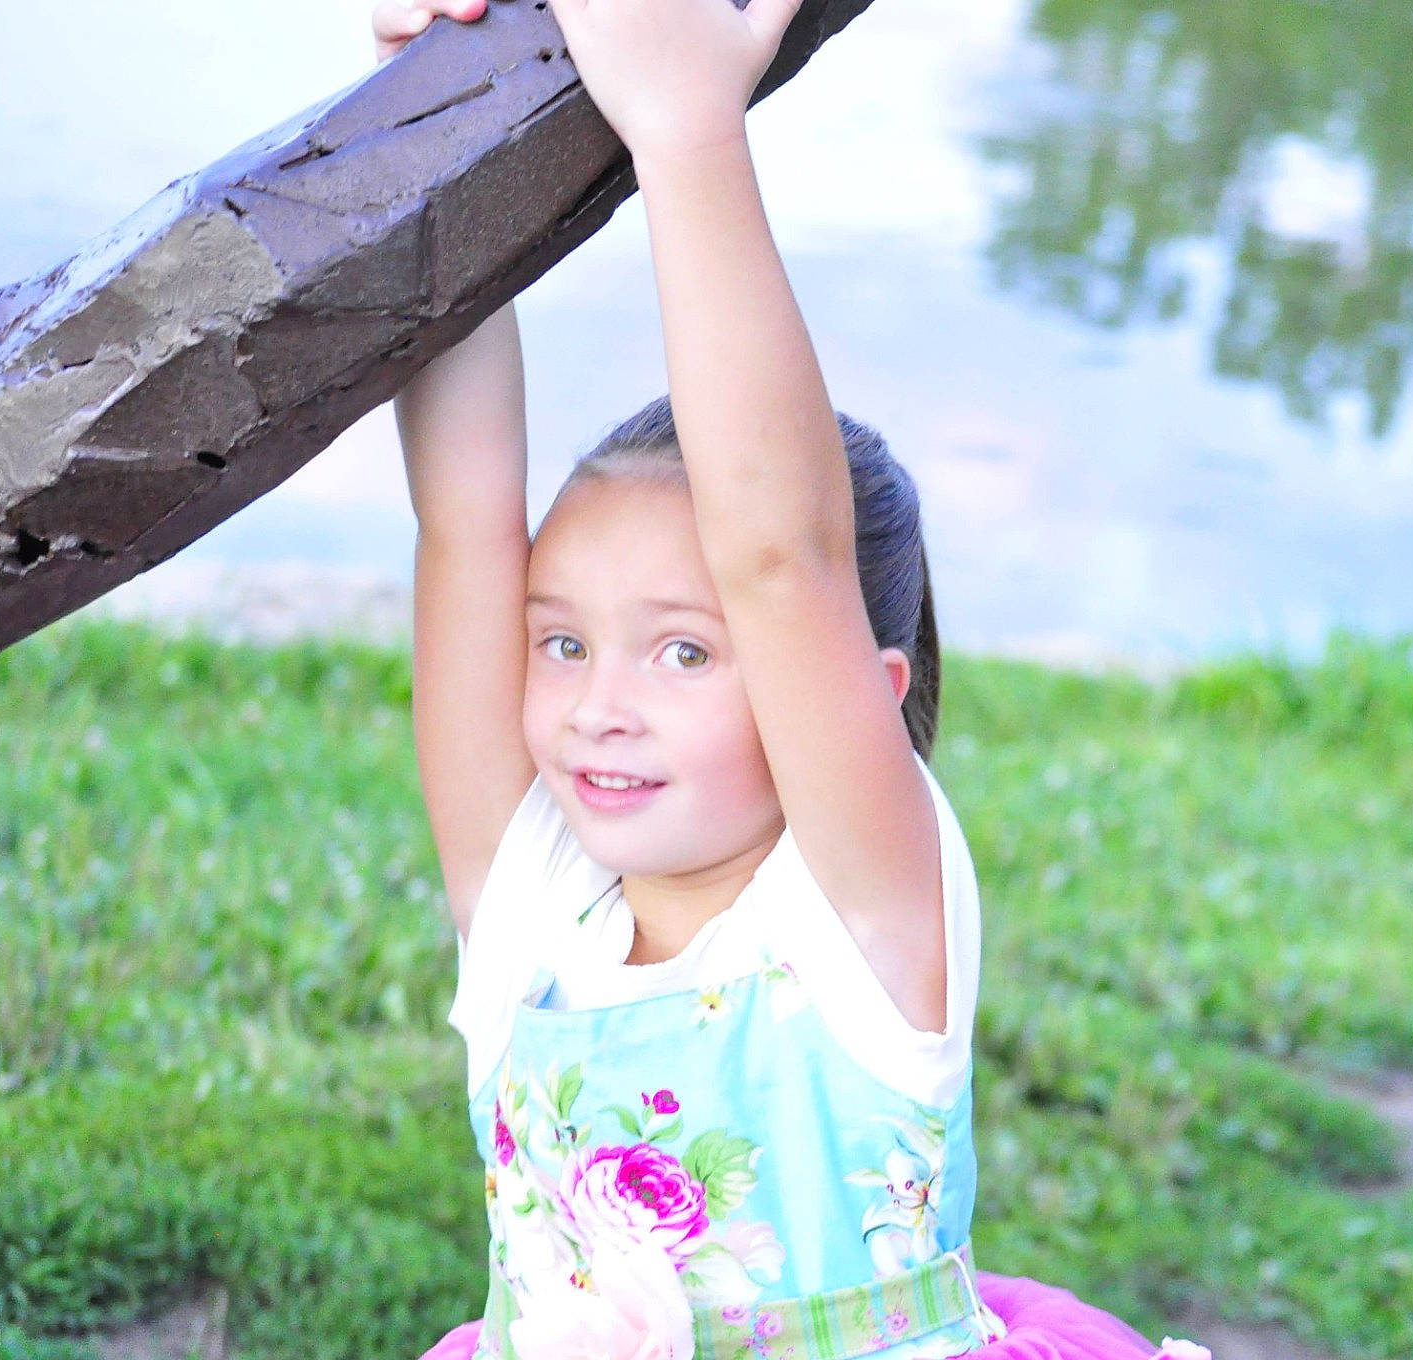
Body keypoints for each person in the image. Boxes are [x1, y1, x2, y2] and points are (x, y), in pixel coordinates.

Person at [377, 2, 1216, 1358]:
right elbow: (466, 519)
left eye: (686, 650)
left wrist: (688, 126)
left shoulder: (857, 926)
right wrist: (429, 112)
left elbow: (783, 561)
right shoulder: (529, 912)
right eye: (565, 640)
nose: (599, 704)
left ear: (864, 693)